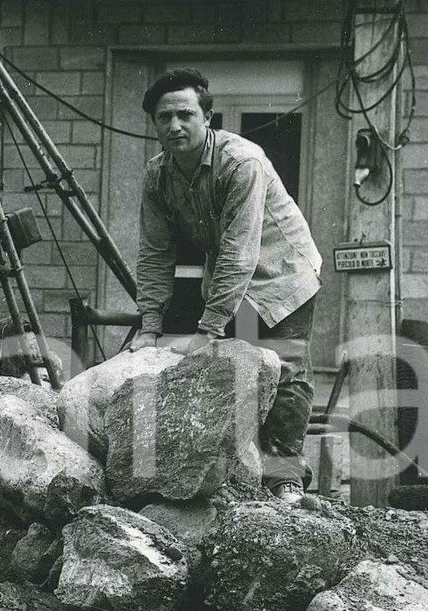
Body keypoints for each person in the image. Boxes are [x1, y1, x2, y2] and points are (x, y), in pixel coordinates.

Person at [130, 67, 322, 503]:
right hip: (231, 279)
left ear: (207, 117)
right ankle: (241, 478)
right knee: (235, 375)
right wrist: (149, 325)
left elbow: (241, 251)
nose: (174, 125)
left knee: (283, 370)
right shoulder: (157, 176)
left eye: (185, 114)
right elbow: (155, 253)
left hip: (282, 274)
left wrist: (207, 330)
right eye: (164, 118)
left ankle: (285, 479)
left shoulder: (242, 162)